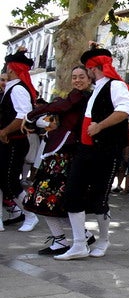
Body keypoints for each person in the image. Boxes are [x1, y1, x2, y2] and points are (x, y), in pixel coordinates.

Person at [55, 44, 129, 260]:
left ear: (92, 68)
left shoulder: (116, 86)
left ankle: (103, 240)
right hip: (84, 151)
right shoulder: (96, 90)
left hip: (105, 151)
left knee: (99, 200)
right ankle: (79, 244)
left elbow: (126, 110)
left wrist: (99, 126)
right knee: (72, 195)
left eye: (87, 69)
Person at [23, 66, 94, 254]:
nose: (77, 80)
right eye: (74, 77)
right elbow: (58, 110)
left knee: (45, 199)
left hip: (66, 155)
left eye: (81, 77)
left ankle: (67, 239)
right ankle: (75, 237)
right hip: (59, 154)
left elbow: (60, 107)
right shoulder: (76, 96)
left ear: (89, 79)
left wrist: (31, 114)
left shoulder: (82, 97)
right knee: (50, 200)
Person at [0, 48, 39, 232]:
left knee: (10, 181)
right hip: (9, 141)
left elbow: (23, 116)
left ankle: (30, 214)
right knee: (4, 179)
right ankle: (16, 212)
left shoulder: (17, 89)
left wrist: (5, 131)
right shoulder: (13, 87)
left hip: (14, 142)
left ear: (12, 68)